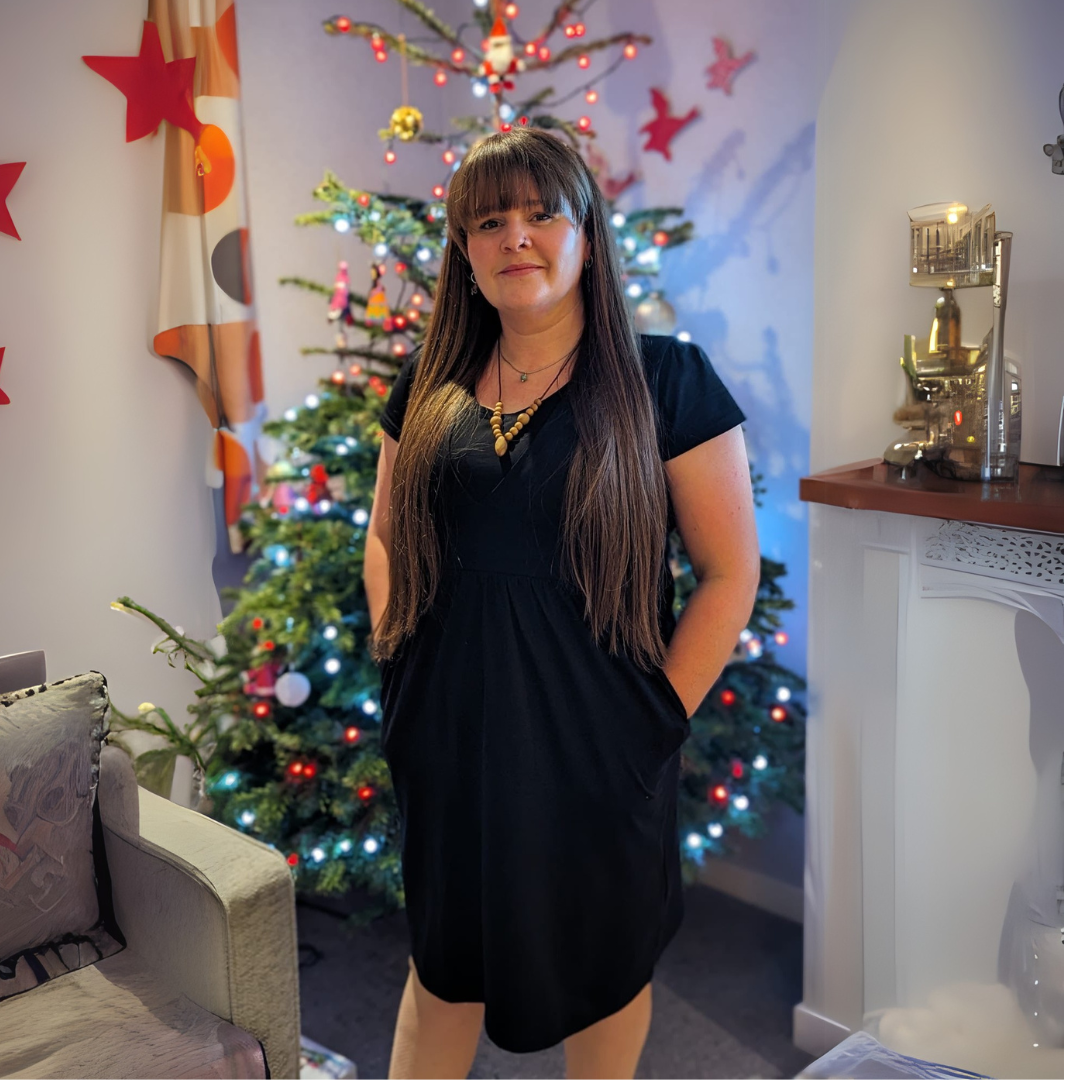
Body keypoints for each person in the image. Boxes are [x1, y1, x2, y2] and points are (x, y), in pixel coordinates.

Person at [363, 126, 759, 1080]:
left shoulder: (665, 381)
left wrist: (650, 722)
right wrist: (399, 663)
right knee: (444, 964)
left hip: (598, 748)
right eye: (489, 222)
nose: (516, 237)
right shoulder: (426, 387)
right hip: (451, 740)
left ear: (586, 234)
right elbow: (382, 538)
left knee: (604, 967)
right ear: (463, 250)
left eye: (542, 214)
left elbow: (728, 574)